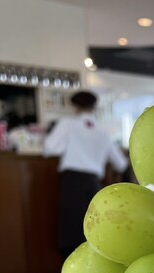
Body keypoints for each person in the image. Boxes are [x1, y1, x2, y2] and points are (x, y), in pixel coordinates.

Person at [43, 90, 128, 259]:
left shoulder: (67, 124)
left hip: (72, 181)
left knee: (72, 231)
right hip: (94, 184)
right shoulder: (102, 131)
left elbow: (49, 148)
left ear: (74, 107)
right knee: (93, 229)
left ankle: (71, 268)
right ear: (94, 107)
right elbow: (121, 163)